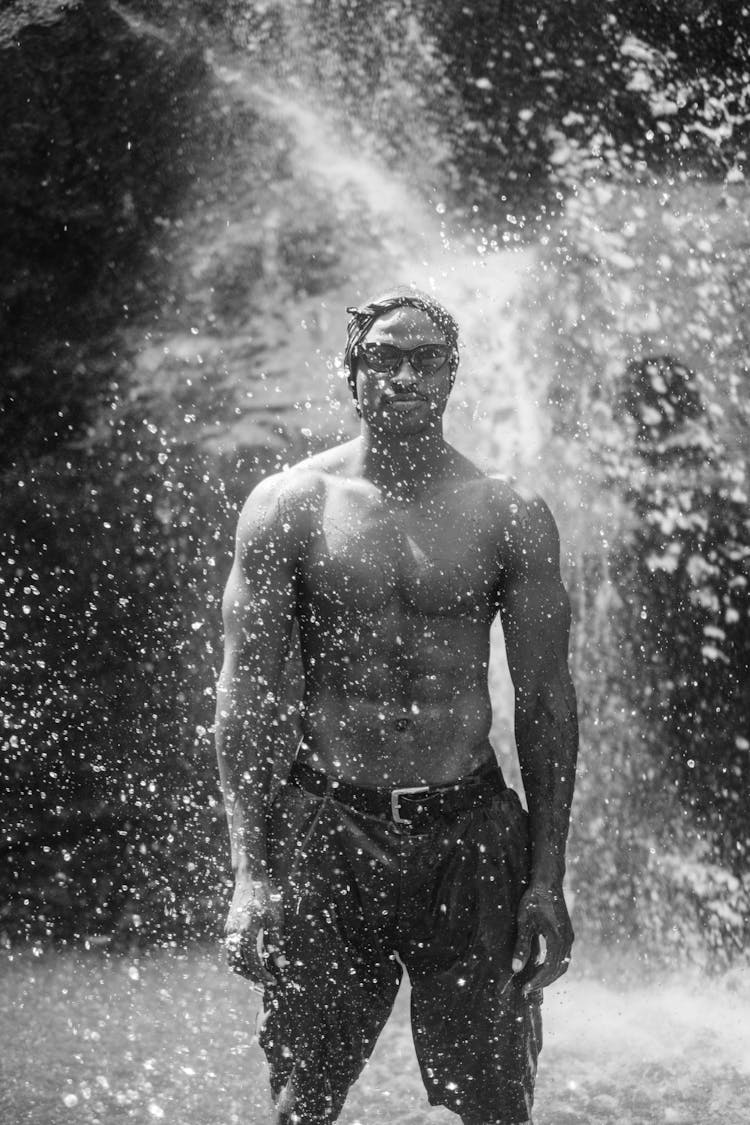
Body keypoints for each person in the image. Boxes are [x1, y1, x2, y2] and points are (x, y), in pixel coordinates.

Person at [215, 288, 578, 1125]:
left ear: (452, 375)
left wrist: (547, 876)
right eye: (385, 356)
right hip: (327, 825)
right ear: (353, 373)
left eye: (427, 359)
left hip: (472, 831)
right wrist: (250, 871)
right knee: (301, 1099)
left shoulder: (508, 512)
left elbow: (547, 702)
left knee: (494, 1102)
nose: (406, 375)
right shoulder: (291, 504)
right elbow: (245, 698)